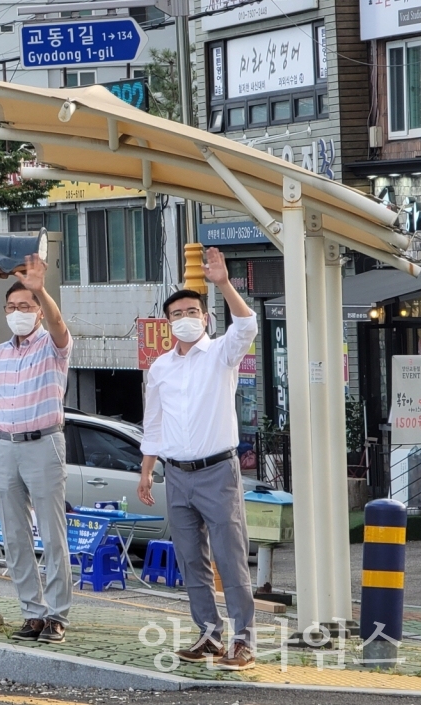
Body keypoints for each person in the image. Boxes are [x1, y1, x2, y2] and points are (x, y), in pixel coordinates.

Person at [138, 246, 259, 671]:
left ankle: (244, 640)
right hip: (177, 474)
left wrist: (223, 283)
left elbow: (246, 325)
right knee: (191, 558)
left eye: (192, 311)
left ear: (205, 317)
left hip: (217, 471)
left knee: (229, 556)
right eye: (176, 314)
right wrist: (147, 468)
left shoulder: (222, 354)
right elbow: (153, 422)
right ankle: (209, 634)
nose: (184, 318)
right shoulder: (160, 368)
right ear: (167, 322)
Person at [0, 254, 72, 645]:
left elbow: (59, 325)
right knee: (14, 536)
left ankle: (56, 615)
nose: (18, 312)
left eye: (26, 306)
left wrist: (41, 290)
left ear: (37, 310)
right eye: (12, 307)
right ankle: (31, 613)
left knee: (51, 534)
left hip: (44, 442)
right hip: (5, 446)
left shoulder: (52, 345)